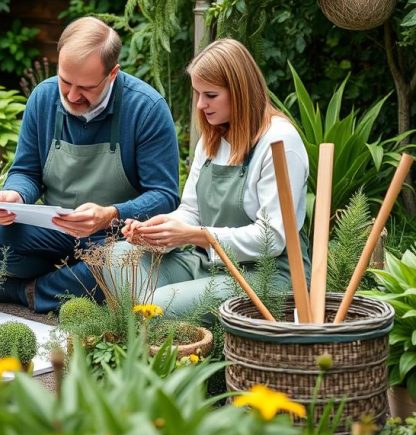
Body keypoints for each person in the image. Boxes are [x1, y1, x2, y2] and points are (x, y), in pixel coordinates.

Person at [0, 16, 180, 314]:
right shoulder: (43, 97)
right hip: (55, 231)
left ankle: (27, 290)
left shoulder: (145, 108)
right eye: (65, 81)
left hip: (116, 239)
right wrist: (15, 196)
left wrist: (111, 214)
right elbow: (26, 172)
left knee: (125, 269)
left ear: (112, 74)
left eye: (85, 87)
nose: (71, 96)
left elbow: (165, 196)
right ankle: (63, 282)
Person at [108, 38, 310, 317]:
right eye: (197, 94)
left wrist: (198, 236)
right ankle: (157, 331)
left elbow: (271, 239)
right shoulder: (213, 137)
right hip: (210, 265)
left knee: (154, 309)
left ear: (240, 92)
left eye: (211, 95)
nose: (201, 105)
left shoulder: (280, 141)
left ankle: (154, 327)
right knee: (117, 258)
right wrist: (159, 231)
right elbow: (191, 211)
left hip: (268, 278)